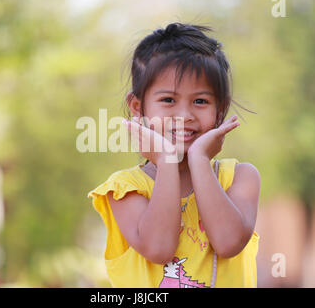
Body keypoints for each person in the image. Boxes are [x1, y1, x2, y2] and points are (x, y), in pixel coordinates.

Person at [87, 22, 260, 288]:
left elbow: (227, 243)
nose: (184, 116)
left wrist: (200, 161)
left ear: (221, 109)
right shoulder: (124, 190)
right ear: (137, 106)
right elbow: (159, 249)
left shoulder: (239, 178)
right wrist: (166, 160)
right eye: (168, 100)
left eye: (200, 101)